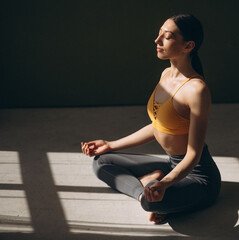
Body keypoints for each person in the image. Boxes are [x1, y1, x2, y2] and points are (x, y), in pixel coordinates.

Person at [81, 13, 221, 224]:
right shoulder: (165, 74)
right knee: (101, 161)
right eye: (159, 34)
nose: (157, 41)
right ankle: (146, 187)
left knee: (152, 202)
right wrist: (110, 145)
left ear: (188, 46)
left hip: (198, 177)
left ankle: (150, 190)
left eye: (167, 36)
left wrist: (164, 183)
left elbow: (193, 155)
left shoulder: (197, 90)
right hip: (171, 164)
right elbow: (157, 127)